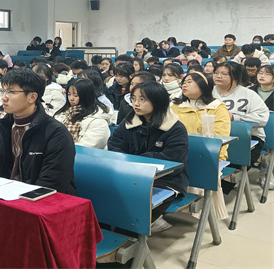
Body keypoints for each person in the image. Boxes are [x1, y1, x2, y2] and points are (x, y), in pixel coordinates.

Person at [108, 82, 189, 230]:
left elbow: (172, 160)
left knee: (133, 205)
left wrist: (135, 161)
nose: (136, 103)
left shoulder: (175, 128)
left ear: (157, 101)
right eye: (133, 98)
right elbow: (114, 146)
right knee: (102, 192)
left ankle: (132, 234)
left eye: (142, 99)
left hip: (165, 179)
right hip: (128, 174)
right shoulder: (129, 122)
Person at [171, 71, 231, 218]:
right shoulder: (176, 107)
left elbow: (220, 138)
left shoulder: (217, 107)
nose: (184, 85)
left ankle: (198, 208)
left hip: (209, 155)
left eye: (189, 81)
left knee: (199, 167)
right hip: (180, 154)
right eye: (184, 82)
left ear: (203, 86)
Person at [212, 62, 269, 170]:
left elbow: (262, 119)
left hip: (246, 139)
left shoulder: (249, 94)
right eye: (216, 73)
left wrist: (234, 118)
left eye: (224, 74)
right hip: (215, 137)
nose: (218, 76)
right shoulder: (208, 93)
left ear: (236, 76)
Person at [54, 78, 111, 149]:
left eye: (75, 95)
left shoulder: (98, 121)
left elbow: (87, 146)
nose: (71, 98)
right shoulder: (63, 113)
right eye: (69, 94)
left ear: (86, 96)